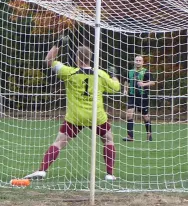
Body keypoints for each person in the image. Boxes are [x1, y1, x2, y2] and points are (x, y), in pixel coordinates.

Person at [24, 44, 121, 181]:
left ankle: (42, 170)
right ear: (90, 58)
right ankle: (110, 174)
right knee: (108, 139)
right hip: (96, 116)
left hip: (75, 116)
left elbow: (48, 60)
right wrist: (114, 75)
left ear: (77, 58)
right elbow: (116, 87)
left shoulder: (68, 72)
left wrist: (57, 44)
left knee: (59, 142)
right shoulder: (100, 74)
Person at [122, 55, 156, 142]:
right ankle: (130, 136)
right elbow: (126, 81)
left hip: (142, 96)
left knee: (145, 116)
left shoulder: (146, 72)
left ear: (142, 62)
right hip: (132, 95)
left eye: (139, 60)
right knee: (129, 114)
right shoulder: (130, 72)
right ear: (134, 61)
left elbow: (153, 82)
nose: (137, 62)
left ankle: (149, 134)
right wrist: (125, 90)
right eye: (136, 60)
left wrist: (144, 84)